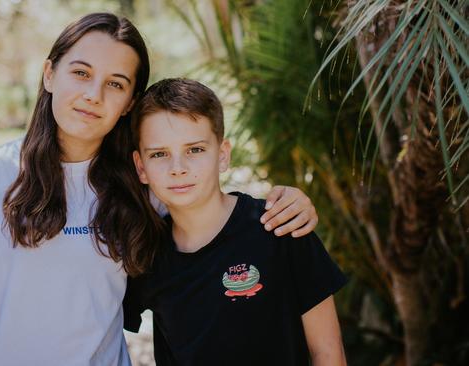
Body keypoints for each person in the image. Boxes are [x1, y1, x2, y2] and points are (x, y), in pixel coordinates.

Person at [0, 14, 320, 366]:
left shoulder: (142, 184)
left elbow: (215, 210)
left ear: (129, 102)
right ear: (49, 74)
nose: (93, 95)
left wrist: (289, 200)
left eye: (116, 83)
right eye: (81, 73)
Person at [124, 78, 347, 365]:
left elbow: (328, 352)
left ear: (223, 155)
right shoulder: (145, 256)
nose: (177, 168)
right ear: (141, 167)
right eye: (159, 154)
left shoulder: (280, 226)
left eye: (195, 149)